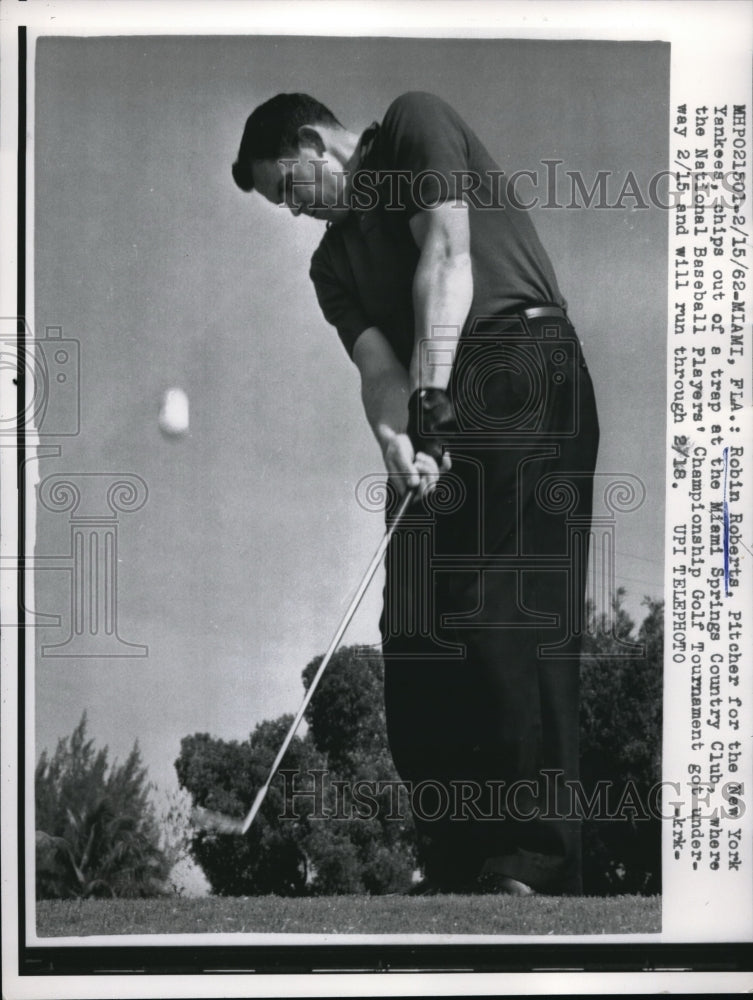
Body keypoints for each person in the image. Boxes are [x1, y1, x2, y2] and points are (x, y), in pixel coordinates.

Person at [232, 91, 600, 895]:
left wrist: (432, 399)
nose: (294, 209)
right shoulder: (330, 264)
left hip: (520, 363)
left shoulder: (411, 127)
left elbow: (446, 253)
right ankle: (459, 859)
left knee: (505, 612)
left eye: (289, 187)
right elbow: (377, 371)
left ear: (314, 142)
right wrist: (398, 441)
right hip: (437, 407)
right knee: (414, 626)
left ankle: (535, 858)